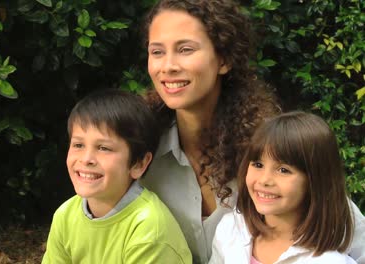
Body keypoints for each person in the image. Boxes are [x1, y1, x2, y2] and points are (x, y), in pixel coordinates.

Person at [139, 0, 365, 263]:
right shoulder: (139, 148)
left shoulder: (272, 149)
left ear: (223, 59)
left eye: (185, 49)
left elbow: (352, 237)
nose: (168, 66)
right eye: (157, 52)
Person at [42, 90, 192, 264]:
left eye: (104, 148)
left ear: (139, 164)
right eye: (78, 145)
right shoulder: (65, 216)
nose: (86, 159)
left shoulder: (149, 228)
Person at [210, 111, 360, 263]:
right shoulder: (230, 230)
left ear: (315, 180)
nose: (264, 180)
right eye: (258, 164)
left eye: (283, 170)